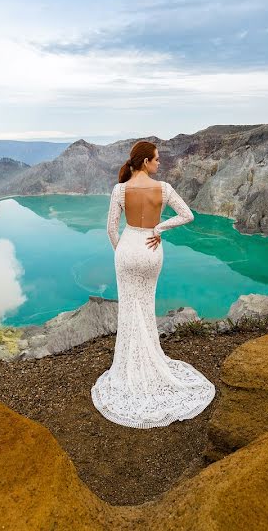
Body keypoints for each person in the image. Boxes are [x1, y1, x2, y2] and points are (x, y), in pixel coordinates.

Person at [91, 140, 216, 428]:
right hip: (151, 249)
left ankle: (130, 366)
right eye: (157, 159)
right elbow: (187, 215)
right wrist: (159, 228)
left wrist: (120, 251)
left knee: (129, 308)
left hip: (128, 248)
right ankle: (150, 361)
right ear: (146, 161)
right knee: (145, 307)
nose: (160, 164)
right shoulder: (164, 189)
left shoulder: (120, 189)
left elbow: (111, 228)